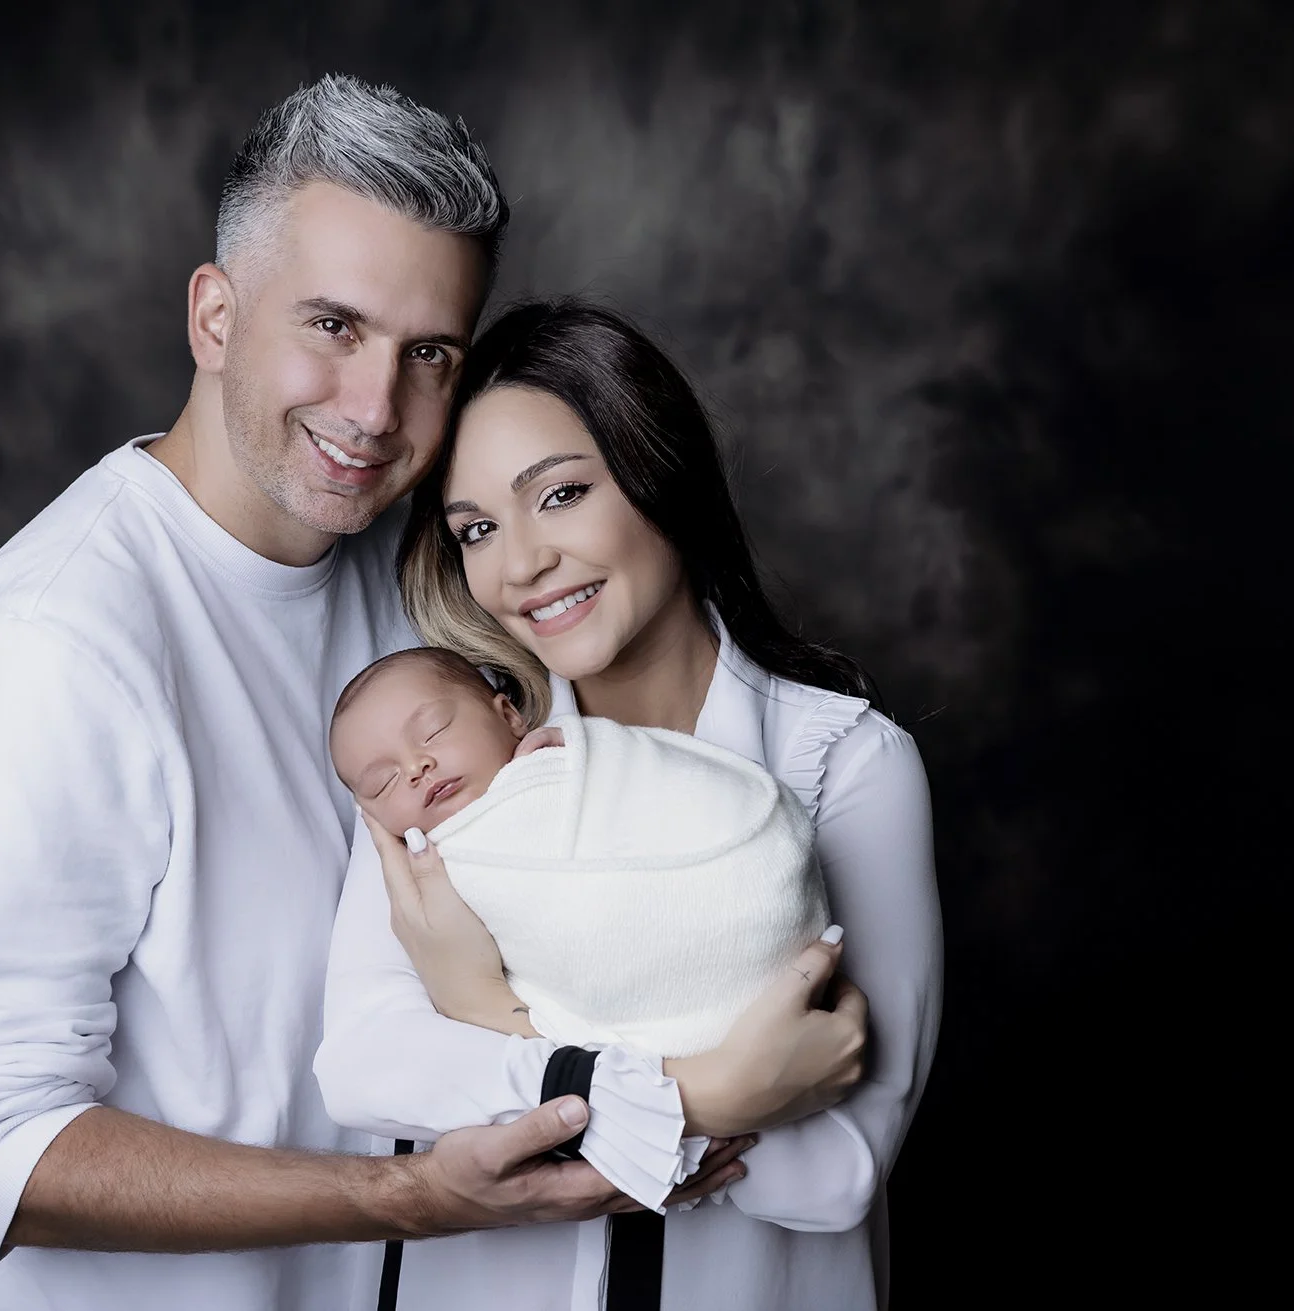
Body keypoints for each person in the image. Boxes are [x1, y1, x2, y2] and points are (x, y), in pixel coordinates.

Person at [0, 77, 766, 1311]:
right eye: (332, 327)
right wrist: (414, 1200)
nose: (374, 411)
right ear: (215, 315)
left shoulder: (421, 586)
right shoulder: (47, 658)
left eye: (428, 353)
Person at [315, 300, 944, 1310]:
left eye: (559, 494)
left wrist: (486, 1018)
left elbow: (833, 1175)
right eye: (475, 528)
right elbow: (363, 1068)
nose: (518, 566)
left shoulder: (841, 764)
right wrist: (718, 1094)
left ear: (662, 476)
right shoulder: (441, 763)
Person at [328, 645, 833, 1067]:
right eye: (384, 781)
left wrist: (586, 747)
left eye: (434, 730)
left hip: (761, 923)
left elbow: (682, 784)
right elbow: (365, 1065)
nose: (417, 767)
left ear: (509, 716)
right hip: (670, 1031)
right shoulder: (423, 876)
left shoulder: (576, 760)